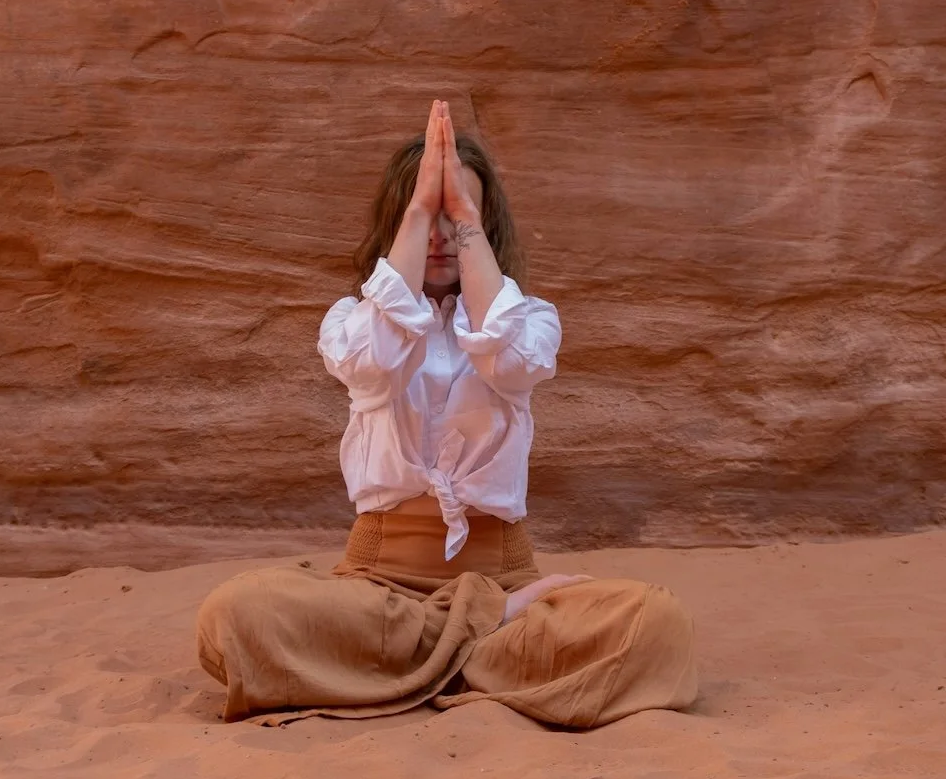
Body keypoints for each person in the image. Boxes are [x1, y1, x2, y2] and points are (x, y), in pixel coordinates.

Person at [196, 100, 697, 728]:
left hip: (503, 580)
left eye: (458, 214)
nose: (439, 235)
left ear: (484, 224)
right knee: (234, 615)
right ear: (397, 222)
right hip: (377, 591)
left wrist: (464, 219)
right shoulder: (349, 321)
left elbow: (508, 359)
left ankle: (432, 652)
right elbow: (376, 362)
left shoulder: (530, 319)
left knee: (658, 624)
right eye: (424, 215)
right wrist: (418, 208)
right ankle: (478, 647)